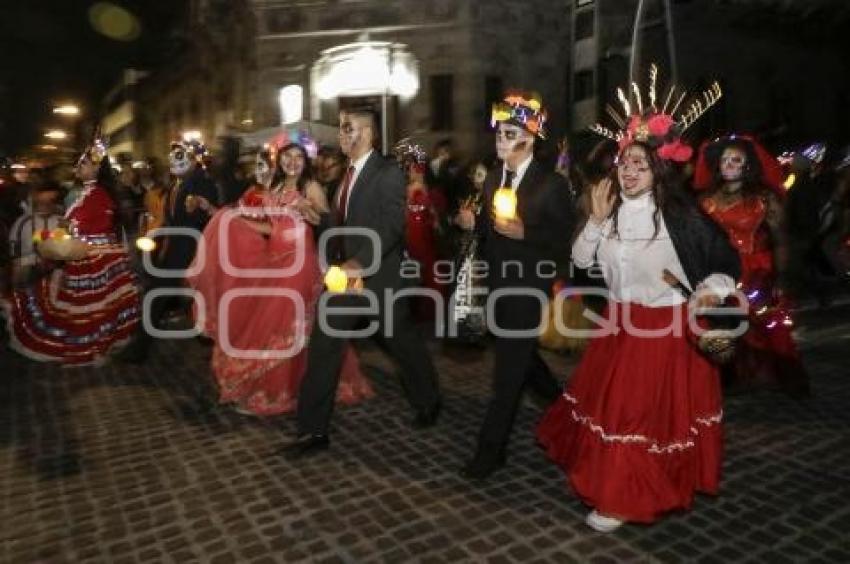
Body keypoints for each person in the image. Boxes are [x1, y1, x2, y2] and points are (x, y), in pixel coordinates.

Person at [537, 70, 739, 532]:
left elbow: (721, 260)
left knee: (637, 416)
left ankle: (623, 498)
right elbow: (582, 264)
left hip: (662, 330)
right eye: (624, 163)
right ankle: (622, 487)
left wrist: (712, 290)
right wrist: (595, 219)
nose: (627, 171)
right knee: (615, 411)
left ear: (659, 170)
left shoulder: (679, 216)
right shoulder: (608, 209)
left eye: (639, 165)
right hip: (617, 326)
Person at [282, 106, 441, 457]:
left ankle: (428, 398)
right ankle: (313, 431)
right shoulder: (344, 178)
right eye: (341, 128)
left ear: (368, 134)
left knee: (401, 343)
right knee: (324, 342)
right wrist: (317, 218)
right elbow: (341, 232)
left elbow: (391, 227)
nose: (340, 134)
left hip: (380, 278)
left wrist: (360, 261)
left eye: (347, 128)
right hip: (349, 283)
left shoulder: (387, 173)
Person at [187, 146, 372, 415]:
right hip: (274, 261)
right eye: (287, 158)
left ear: (305, 162)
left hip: (300, 263)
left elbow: (329, 223)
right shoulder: (272, 189)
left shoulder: (311, 186)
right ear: (280, 161)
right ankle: (295, 386)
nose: (293, 162)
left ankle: (277, 393)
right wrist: (237, 219)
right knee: (275, 325)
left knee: (285, 324)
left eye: (298, 158)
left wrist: (309, 212)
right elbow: (271, 228)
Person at [455, 92, 575, 479]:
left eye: (509, 134)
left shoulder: (551, 184)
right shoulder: (492, 178)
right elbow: (490, 234)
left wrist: (527, 232)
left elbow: (564, 239)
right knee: (524, 361)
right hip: (496, 285)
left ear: (529, 138)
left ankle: (490, 451)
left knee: (506, 376)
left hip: (527, 287)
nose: (500, 140)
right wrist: (474, 226)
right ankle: (568, 414)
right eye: (499, 133)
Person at [1, 137, 140, 365]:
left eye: (83, 164)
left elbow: (77, 227)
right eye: (79, 163)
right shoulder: (83, 194)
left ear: (96, 167)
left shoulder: (98, 195)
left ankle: (98, 343)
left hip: (95, 259)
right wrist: (44, 237)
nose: (78, 167)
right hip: (82, 254)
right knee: (73, 306)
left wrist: (50, 236)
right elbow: (69, 227)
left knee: (91, 309)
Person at [694, 135, 810, 397]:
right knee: (718, 323)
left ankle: (767, 375)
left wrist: (781, 278)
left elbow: (781, 240)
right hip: (719, 270)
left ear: (747, 165)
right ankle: (728, 377)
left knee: (759, 324)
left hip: (756, 269)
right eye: (725, 160)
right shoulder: (705, 200)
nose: (729, 164)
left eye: (736, 159)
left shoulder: (764, 199)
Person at [394, 139, 442, 319]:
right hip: (412, 238)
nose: (409, 170)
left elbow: (435, 219)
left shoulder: (426, 192)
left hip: (422, 237)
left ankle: (425, 311)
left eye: (411, 167)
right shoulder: (411, 190)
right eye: (407, 167)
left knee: (425, 271)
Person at [7, 181, 64, 287]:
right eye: (42, 201)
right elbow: (15, 257)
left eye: (51, 201)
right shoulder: (22, 223)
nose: (46, 205)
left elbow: (65, 248)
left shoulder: (60, 222)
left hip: (55, 280)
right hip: (28, 281)